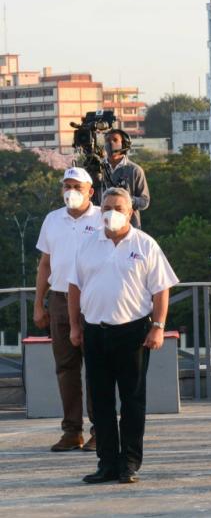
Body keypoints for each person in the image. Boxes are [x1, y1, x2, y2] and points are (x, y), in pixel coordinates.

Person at [67, 187, 178, 484]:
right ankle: (107, 463)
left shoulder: (145, 244)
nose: (112, 212)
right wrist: (75, 326)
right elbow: (74, 287)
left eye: (118, 207)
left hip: (133, 333)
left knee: (132, 401)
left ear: (130, 211)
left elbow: (161, 288)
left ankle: (129, 463)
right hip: (95, 331)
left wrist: (158, 326)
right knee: (100, 402)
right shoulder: (87, 244)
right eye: (107, 207)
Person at [33, 167, 103, 452]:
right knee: (66, 367)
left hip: (94, 298)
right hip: (60, 299)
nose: (70, 191)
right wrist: (39, 303)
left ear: (90, 191)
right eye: (66, 186)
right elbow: (45, 265)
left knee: (97, 367)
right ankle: (72, 430)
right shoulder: (53, 220)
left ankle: (101, 429)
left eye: (76, 186)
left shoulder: (102, 217)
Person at [104, 129, 150, 228]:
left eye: (115, 140)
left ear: (124, 144)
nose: (110, 143)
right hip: (102, 226)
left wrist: (126, 200)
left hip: (130, 227)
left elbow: (144, 201)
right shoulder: (97, 168)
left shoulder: (134, 170)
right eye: (107, 140)